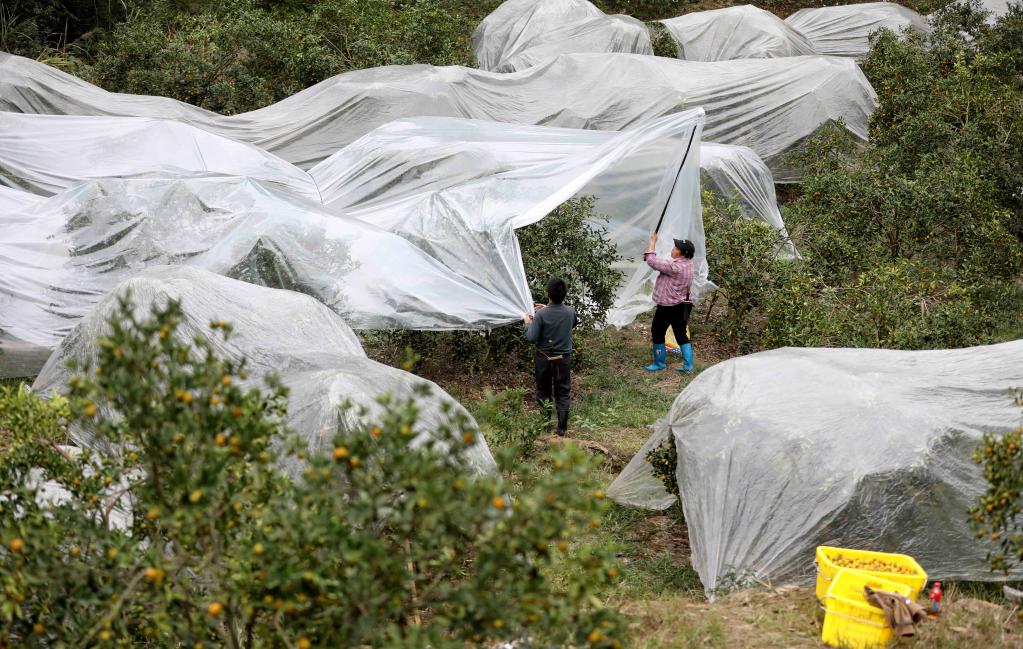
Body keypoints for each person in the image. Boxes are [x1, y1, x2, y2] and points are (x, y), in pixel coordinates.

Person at [523, 276, 579, 436]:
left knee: (544, 391)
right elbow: (572, 323)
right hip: (563, 359)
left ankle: (545, 425)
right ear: (565, 294)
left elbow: (531, 337)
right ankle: (562, 428)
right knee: (563, 391)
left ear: (547, 293)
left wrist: (527, 322)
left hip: (544, 359)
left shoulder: (541, 315)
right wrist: (547, 309)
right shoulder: (571, 311)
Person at [643, 232, 695, 373]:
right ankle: (688, 366)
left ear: (682, 253)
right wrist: (650, 255)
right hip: (683, 305)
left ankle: (659, 363)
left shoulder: (675, 267)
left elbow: (652, 262)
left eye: (676, 248)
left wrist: (652, 243)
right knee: (681, 334)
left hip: (668, 306)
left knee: (657, 332)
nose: (673, 249)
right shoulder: (689, 264)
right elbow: (660, 263)